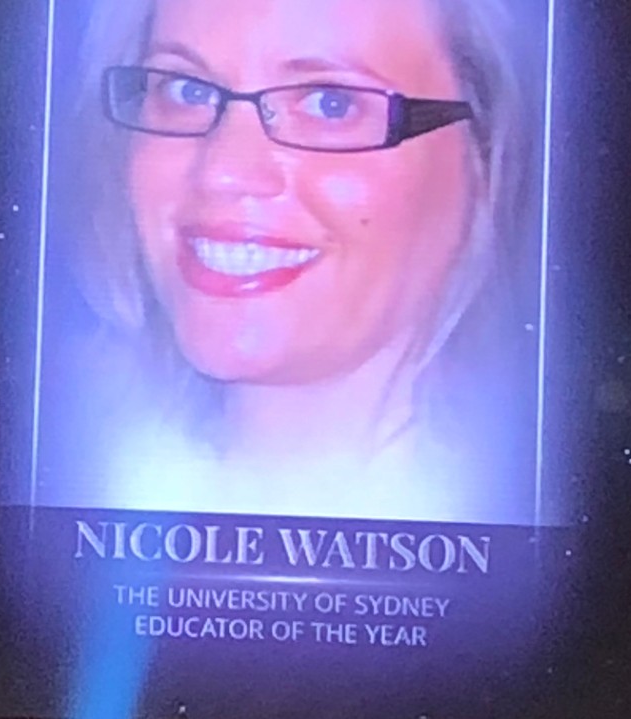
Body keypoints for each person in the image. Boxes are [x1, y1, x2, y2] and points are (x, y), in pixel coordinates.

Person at [36, 0, 545, 525]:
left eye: (330, 104)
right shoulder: (45, 448)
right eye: (184, 90)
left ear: (486, 155)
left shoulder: (548, 512)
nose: (225, 173)